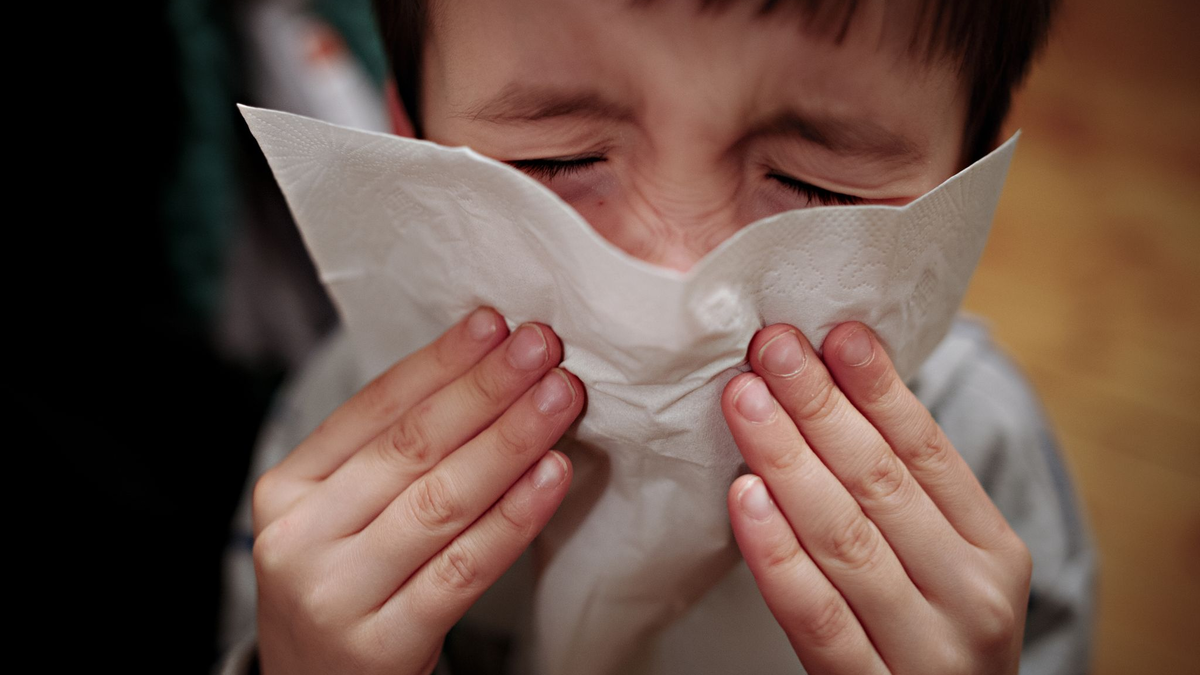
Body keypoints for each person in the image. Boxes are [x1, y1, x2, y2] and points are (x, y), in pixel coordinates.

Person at [219, 1, 1095, 673]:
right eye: (556, 161)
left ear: (963, 193)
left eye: (815, 186)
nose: (679, 281)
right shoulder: (349, 426)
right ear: (409, 144)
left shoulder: (982, 455)